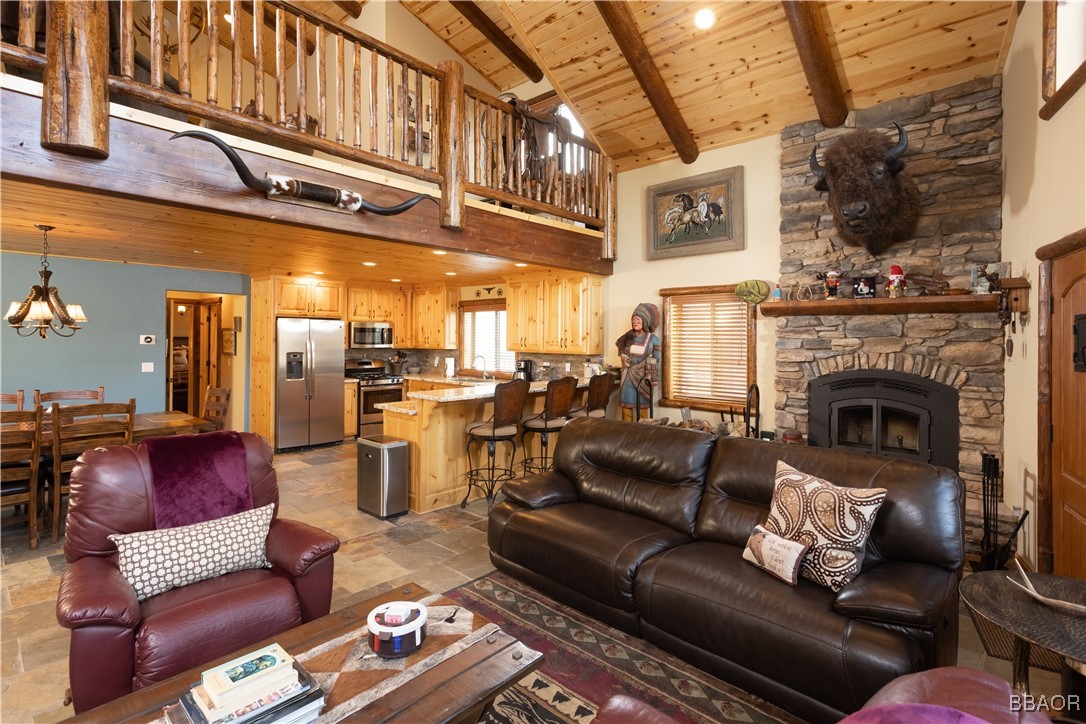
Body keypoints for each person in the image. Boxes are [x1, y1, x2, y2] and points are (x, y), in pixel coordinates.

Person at [615, 302, 661, 421]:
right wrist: (625, 359)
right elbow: (623, 354)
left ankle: (642, 437)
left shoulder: (653, 340)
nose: (635, 322)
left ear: (645, 321)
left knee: (643, 413)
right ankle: (627, 436)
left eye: (638, 319)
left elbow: (657, 361)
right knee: (626, 410)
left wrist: (653, 378)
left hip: (644, 380)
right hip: (627, 379)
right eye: (633, 319)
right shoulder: (626, 338)